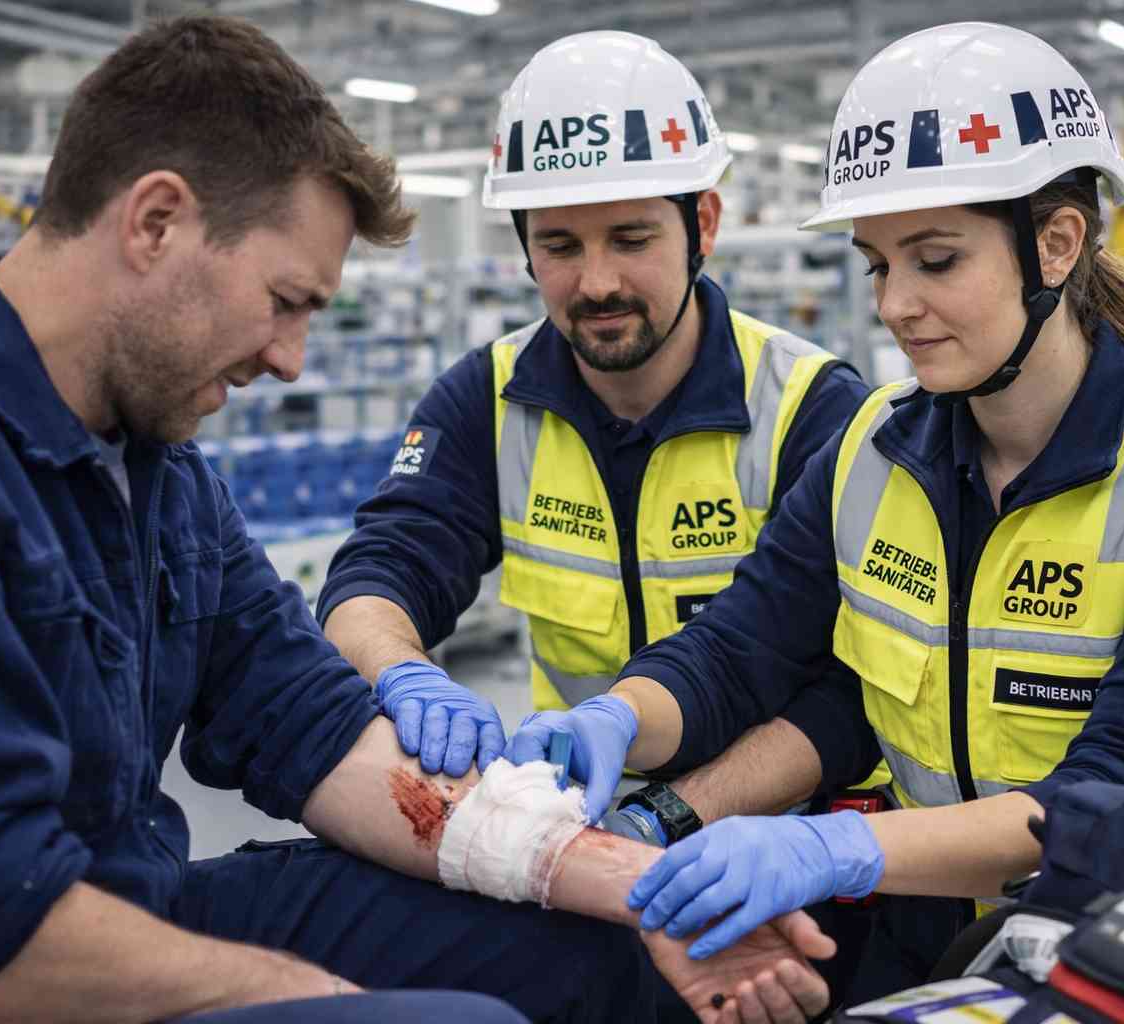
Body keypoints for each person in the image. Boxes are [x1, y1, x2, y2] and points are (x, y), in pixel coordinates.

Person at [0, 17, 834, 1024]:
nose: (291, 361)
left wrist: (634, 884)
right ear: (156, 222)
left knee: (602, 947)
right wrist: (317, 998)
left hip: (125, 898)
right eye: (285, 300)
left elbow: (311, 723)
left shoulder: (158, 468)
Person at [508, 20, 1124, 999]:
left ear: (1055, 245)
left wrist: (836, 848)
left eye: (935, 260)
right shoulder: (873, 447)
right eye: (879, 264)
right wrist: (619, 719)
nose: (894, 305)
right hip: (914, 923)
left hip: (1107, 946)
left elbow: (1121, 794)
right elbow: (741, 648)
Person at [317, 30, 881, 838]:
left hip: (784, 839)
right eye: (559, 245)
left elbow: (852, 688)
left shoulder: (811, 409)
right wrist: (402, 671)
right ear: (524, 249)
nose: (598, 282)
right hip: (577, 827)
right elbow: (382, 565)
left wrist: (673, 814)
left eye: (631, 238)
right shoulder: (486, 399)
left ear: (703, 224)